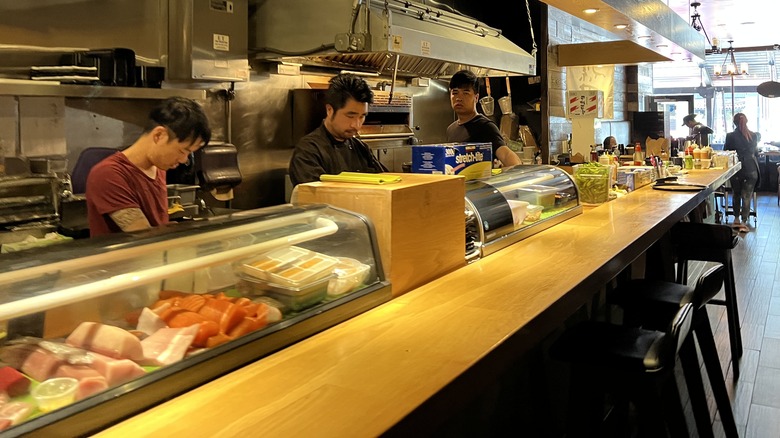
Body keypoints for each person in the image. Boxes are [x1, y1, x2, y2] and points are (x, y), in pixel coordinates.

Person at [86, 97, 211, 237]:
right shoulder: (108, 173)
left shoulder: (159, 168)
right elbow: (144, 237)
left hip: (153, 257)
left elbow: (157, 229)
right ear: (159, 135)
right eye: (183, 151)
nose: (183, 160)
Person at [288, 73, 386, 187]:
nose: (356, 125)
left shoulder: (361, 148)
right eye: (350, 116)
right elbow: (315, 197)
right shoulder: (309, 151)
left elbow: (385, 183)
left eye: (362, 116)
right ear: (330, 110)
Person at [446, 70, 521, 167]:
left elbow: (506, 155)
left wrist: (518, 173)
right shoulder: (450, 130)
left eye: (465, 93)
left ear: (476, 98)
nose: (458, 98)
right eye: (455, 93)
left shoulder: (485, 127)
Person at [724, 113, 761, 233]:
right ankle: (744, 222)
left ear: (734, 122)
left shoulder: (730, 136)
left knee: (736, 193)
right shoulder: (754, 135)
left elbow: (726, 152)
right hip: (751, 168)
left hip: (737, 168)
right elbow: (755, 152)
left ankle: (736, 219)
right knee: (747, 196)